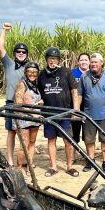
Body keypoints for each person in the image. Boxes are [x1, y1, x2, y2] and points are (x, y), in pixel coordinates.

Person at [37, 47, 79, 177]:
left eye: (54, 59)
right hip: (49, 113)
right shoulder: (42, 75)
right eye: (50, 59)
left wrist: (76, 109)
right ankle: (53, 167)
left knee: (68, 141)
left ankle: (70, 166)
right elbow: (38, 93)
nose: (52, 61)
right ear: (46, 60)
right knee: (51, 140)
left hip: (64, 113)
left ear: (58, 60)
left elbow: (74, 91)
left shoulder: (66, 72)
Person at [78, 53, 105, 174]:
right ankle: (91, 161)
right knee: (89, 140)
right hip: (88, 114)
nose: (93, 64)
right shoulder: (85, 76)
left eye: (96, 62)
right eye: (92, 62)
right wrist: (77, 111)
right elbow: (80, 94)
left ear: (102, 63)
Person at [0, 22, 29, 166]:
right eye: (18, 52)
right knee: (11, 133)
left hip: (26, 105)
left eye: (23, 52)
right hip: (11, 103)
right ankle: (10, 160)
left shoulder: (30, 68)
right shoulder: (9, 64)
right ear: (15, 53)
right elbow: (0, 47)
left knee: (25, 133)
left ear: (27, 54)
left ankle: (24, 161)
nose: (21, 54)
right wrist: (4, 30)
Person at [14, 62, 43, 175]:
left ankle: (29, 165)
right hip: (24, 119)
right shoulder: (22, 84)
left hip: (35, 119)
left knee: (32, 142)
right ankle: (19, 167)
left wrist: (40, 102)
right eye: (30, 72)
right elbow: (18, 104)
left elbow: (35, 100)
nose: (32, 74)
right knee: (24, 144)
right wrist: (33, 114)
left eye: (35, 72)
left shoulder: (36, 85)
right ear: (26, 73)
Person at [71, 53, 90, 143]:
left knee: (88, 136)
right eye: (81, 60)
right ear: (78, 62)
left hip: (89, 108)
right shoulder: (72, 73)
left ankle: (88, 156)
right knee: (74, 134)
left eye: (86, 60)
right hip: (75, 107)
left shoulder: (93, 73)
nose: (84, 62)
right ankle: (73, 155)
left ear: (89, 62)